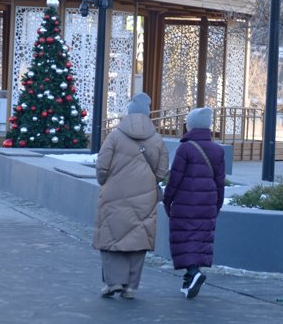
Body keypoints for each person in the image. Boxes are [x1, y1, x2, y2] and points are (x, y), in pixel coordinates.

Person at [93, 92, 169, 299]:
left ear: (128, 113)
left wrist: (105, 181)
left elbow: (102, 166)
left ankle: (113, 282)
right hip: (145, 197)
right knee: (139, 239)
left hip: (113, 194)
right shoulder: (157, 140)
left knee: (110, 237)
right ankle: (131, 287)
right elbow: (162, 171)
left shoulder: (115, 136)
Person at [163, 107, 226, 299]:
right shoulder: (217, 150)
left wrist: (168, 200)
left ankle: (193, 272)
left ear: (191, 125)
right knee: (198, 239)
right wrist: (217, 205)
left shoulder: (185, 148)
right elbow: (220, 181)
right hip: (207, 201)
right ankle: (190, 278)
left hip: (184, 201)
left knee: (186, 238)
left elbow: (175, 178)